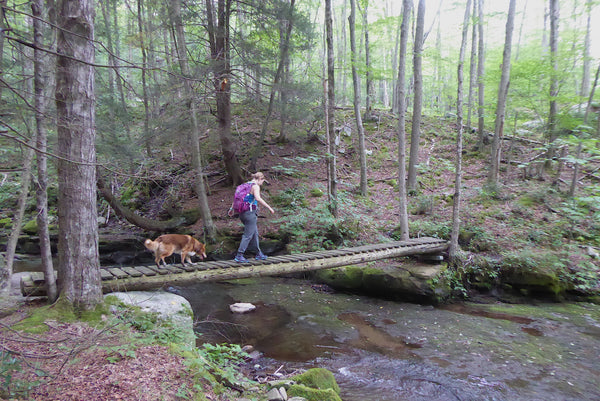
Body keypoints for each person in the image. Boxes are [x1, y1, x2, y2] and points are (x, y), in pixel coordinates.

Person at [228, 172, 275, 263]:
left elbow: (236, 198)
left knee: (254, 233)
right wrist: (269, 207)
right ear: (260, 179)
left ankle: (258, 254)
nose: (262, 183)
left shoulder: (244, 185)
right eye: (262, 181)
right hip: (250, 214)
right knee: (247, 235)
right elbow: (257, 198)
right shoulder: (255, 186)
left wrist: (231, 209)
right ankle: (239, 255)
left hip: (242, 214)